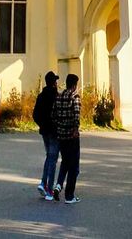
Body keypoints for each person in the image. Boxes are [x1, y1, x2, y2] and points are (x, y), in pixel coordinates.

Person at [52, 73, 81, 204]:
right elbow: (76, 114)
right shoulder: (74, 96)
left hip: (61, 135)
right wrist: (75, 128)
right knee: (74, 165)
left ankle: (58, 185)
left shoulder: (59, 97)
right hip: (72, 136)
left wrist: (60, 126)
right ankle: (69, 195)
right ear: (74, 85)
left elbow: (54, 114)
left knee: (65, 161)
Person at [33, 71, 60, 200]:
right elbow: (59, 114)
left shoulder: (41, 96)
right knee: (53, 158)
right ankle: (49, 188)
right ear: (53, 83)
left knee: (49, 156)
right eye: (55, 81)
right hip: (54, 131)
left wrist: (42, 124)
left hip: (44, 131)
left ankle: (43, 183)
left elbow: (35, 115)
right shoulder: (56, 96)